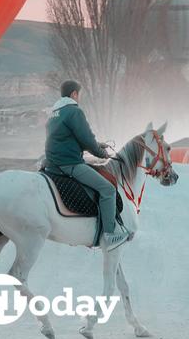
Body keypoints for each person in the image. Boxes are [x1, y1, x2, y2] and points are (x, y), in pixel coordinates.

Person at [44, 80, 129, 250]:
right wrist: (101, 153)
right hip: (69, 164)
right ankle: (109, 236)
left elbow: (69, 138)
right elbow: (86, 139)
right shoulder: (74, 111)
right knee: (108, 190)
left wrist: (98, 144)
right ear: (74, 94)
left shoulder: (54, 113)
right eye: (79, 94)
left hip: (51, 164)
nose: (79, 97)